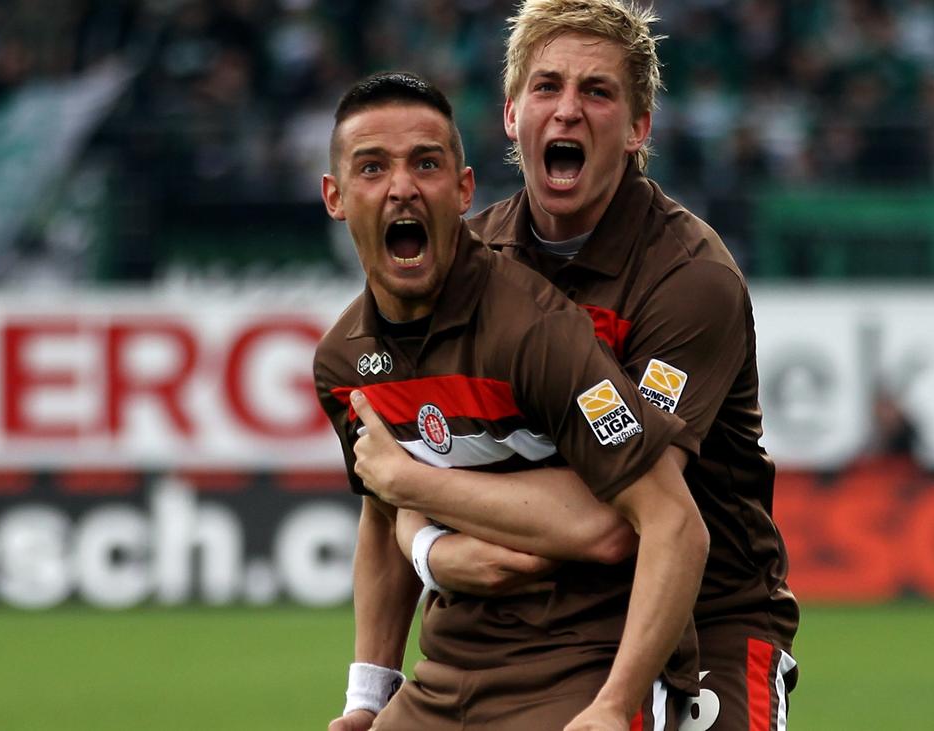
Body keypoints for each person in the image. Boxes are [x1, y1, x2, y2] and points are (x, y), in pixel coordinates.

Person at [353, 2, 801, 729]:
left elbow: (621, 512)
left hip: (703, 618)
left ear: (638, 128)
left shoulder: (689, 280)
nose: (567, 110)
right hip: (508, 626)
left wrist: (420, 505)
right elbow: (383, 482)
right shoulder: (460, 264)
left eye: (596, 91)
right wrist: (370, 690)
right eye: (546, 87)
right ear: (511, 114)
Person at [312, 71, 708, 731]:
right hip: (447, 671)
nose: (402, 187)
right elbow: (381, 517)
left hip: (577, 666)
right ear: (336, 196)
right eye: (373, 167)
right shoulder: (343, 363)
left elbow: (668, 521)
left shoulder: (537, 331)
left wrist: (613, 705)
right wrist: (367, 698)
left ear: (464, 190)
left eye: (426, 164)